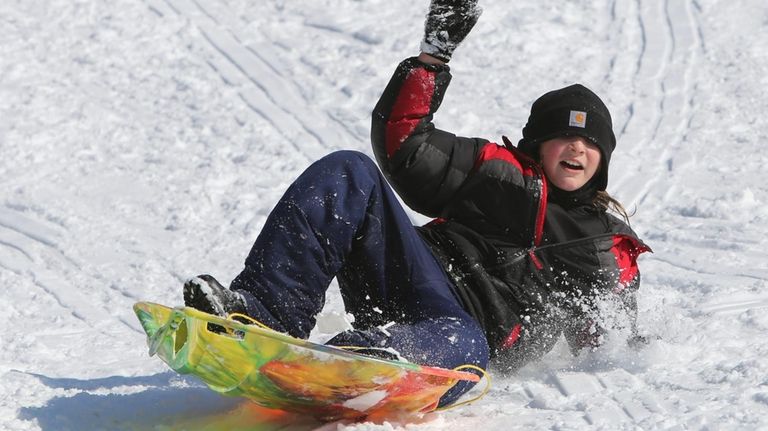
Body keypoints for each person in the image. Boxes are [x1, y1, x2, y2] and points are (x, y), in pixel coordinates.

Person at [182, 0, 650, 407]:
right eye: (563, 137)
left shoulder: (603, 241)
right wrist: (433, 58)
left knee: (463, 346)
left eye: (589, 142)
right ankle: (259, 315)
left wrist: (619, 344)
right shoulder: (499, 171)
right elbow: (404, 144)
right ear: (537, 144)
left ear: (604, 158)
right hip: (412, 275)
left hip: (459, 330)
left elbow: (610, 335)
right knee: (350, 170)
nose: (576, 149)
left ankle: (361, 361)